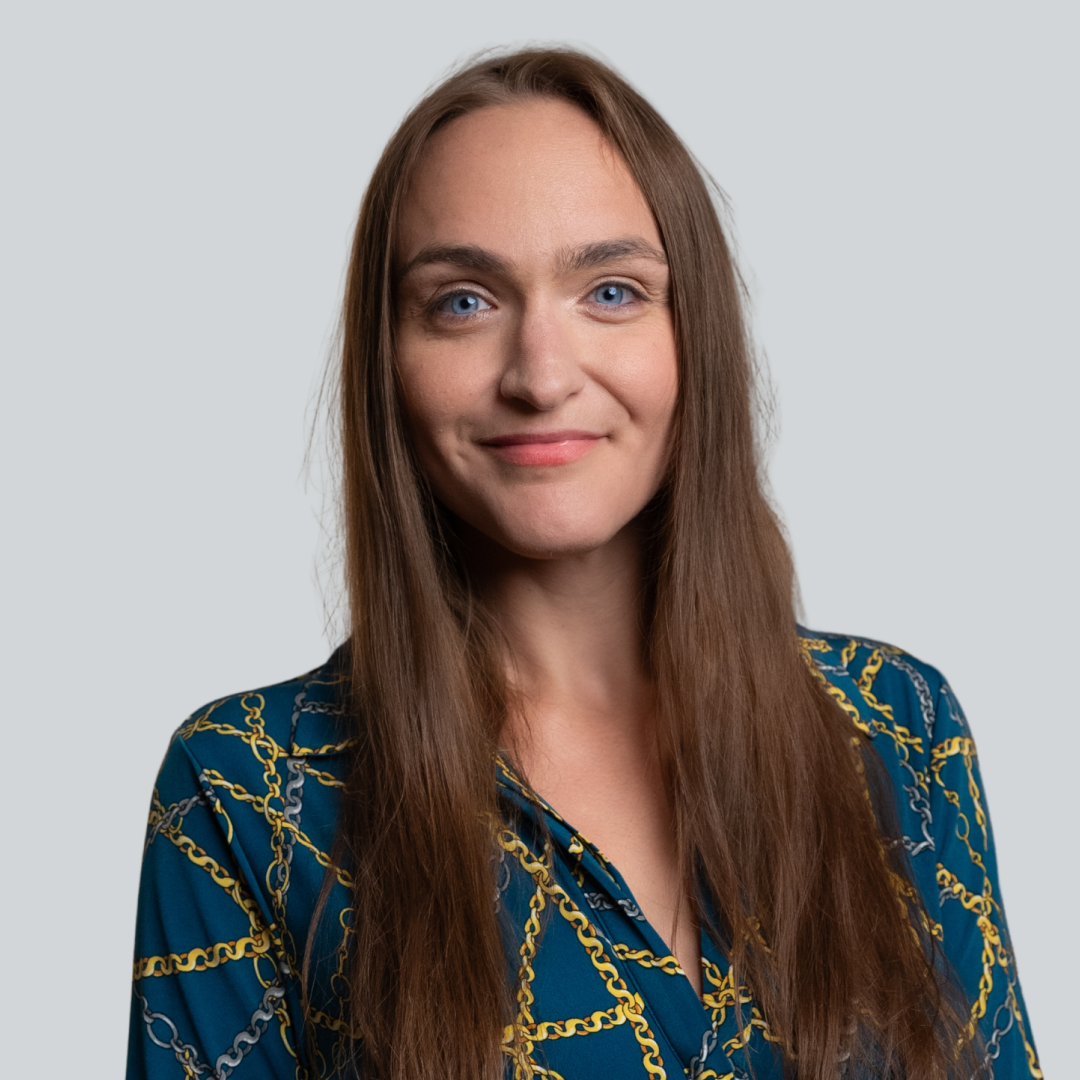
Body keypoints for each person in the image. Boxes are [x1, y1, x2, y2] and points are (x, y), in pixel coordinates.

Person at [127, 48, 1040, 1080]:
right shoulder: (247, 791)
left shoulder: (895, 726)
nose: (541, 375)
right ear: (389, 360)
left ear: (694, 336)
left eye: (611, 291)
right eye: (463, 302)